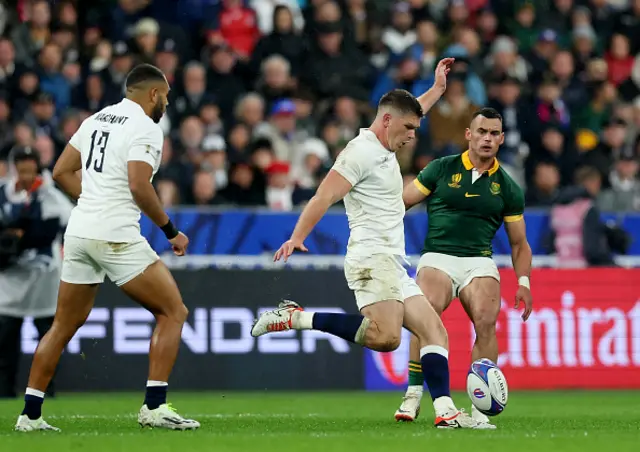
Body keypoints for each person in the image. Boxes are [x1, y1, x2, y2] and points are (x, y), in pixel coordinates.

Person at [252, 60, 489, 429]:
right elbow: (322, 196)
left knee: (435, 331)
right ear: (387, 121)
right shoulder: (360, 152)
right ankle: (295, 317)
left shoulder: (387, 140)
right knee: (386, 338)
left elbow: (411, 111)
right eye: (409, 128)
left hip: (393, 261)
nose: (413, 135)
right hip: (369, 258)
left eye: (416, 127)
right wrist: (297, 236)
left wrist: (438, 89)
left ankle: (445, 411)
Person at [15, 64, 200, 432]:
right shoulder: (146, 127)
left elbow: (60, 171)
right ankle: (154, 408)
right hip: (115, 235)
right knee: (173, 311)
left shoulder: (95, 119)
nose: (165, 102)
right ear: (152, 94)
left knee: (63, 325)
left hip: (80, 232)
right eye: (164, 96)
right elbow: (138, 184)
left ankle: (30, 416)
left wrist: (95, 199)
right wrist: (170, 231)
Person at [394, 107, 534, 429]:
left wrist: (523, 281)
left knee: (486, 321)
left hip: (478, 260)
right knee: (425, 312)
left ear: (501, 139)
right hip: (438, 256)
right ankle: (414, 393)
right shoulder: (441, 169)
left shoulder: (508, 187)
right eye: (481, 132)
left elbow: (519, 244)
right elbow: (401, 203)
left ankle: (479, 410)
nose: (487, 138)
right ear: (468, 135)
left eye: (494, 133)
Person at [0, 147, 73, 398]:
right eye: (21, 168)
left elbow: (69, 221)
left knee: (48, 338)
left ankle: (45, 390)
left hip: (45, 279)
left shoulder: (51, 197)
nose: (26, 173)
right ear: (14, 168)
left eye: (30, 168)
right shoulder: (3, 194)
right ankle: (4, 391)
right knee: (5, 343)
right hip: (10, 279)